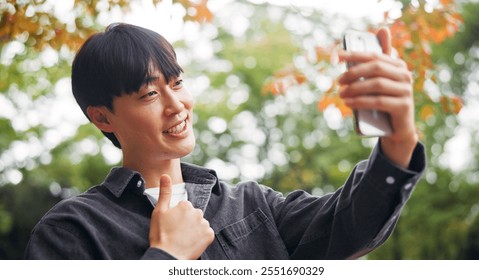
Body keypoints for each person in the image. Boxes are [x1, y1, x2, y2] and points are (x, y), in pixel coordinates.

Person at [24, 23, 425, 260]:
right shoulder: (72, 230)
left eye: (177, 83)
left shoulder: (254, 205)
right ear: (102, 116)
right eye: (149, 94)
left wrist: (399, 137)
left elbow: (350, 223)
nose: (176, 104)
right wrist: (166, 259)